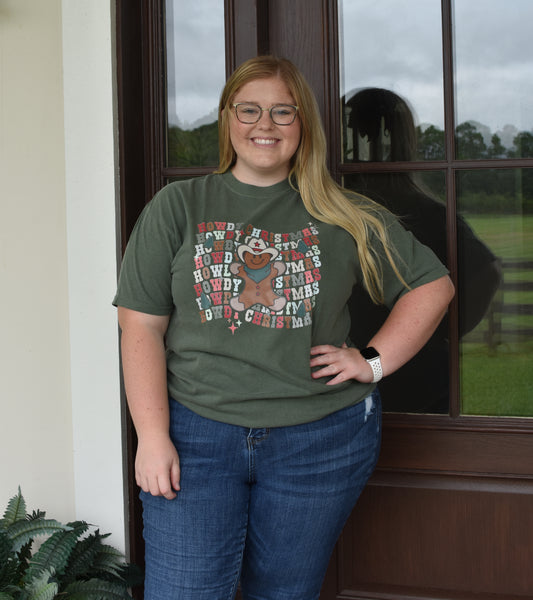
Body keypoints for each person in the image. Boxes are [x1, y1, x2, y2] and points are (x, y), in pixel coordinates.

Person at [114, 56, 454, 600]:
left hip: (319, 439)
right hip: (196, 434)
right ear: (227, 119)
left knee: (284, 593)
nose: (264, 125)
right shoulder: (179, 206)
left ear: (304, 125)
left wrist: (371, 361)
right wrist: (152, 437)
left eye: (282, 112)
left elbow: (431, 286)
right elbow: (140, 328)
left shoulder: (344, 212)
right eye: (248, 109)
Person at [344, 87, 501, 412]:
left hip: (412, 379)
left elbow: (486, 274)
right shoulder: (423, 209)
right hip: (360, 373)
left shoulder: (423, 211)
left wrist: (434, 332)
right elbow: (488, 273)